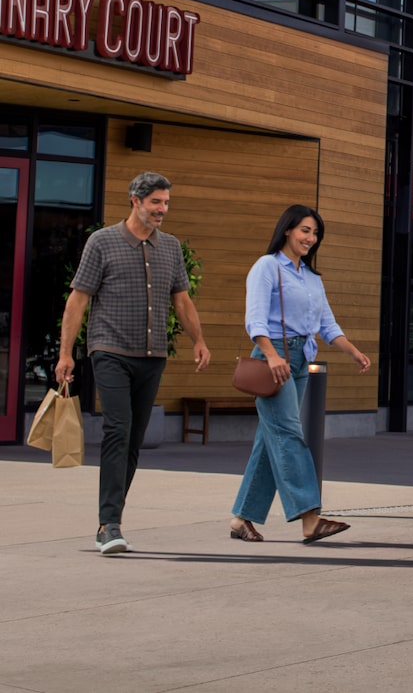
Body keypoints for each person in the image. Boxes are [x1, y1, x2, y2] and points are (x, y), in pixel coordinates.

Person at [56, 172, 211, 555]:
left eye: (166, 203)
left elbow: (182, 300)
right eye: (156, 202)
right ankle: (110, 524)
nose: (163, 209)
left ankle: (110, 520)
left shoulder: (170, 248)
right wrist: (65, 353)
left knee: (133, 441)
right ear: (135, 201)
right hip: (109, 351)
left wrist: (199, 340)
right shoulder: (102, 242)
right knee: (117, 430)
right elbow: (78, 300)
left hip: (152, 355)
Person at [228, 204, 371, 544]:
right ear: (288, 230)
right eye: (305, 230)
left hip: (301, 359)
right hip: (273, 359)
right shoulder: (267, 267)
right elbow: (255, 318)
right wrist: (272, 355)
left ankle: (241, 518)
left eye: (315, 233)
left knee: (270, 440)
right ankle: (309, 517)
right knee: (290, 434)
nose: (311, 238)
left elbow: (326, 324)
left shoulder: (310, 277)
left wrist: (353, 351)